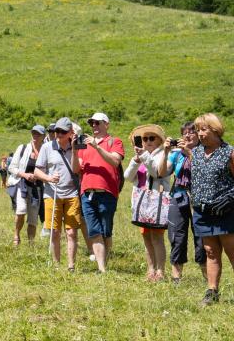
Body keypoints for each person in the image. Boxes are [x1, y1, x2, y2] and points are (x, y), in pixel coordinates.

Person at [188, 114, 234, 306]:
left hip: (225, 210)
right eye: (198, 129)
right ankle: (212, 291)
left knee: (232, 251)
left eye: (204, 129)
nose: (200, 133)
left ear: (215, 130)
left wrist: (231, 197)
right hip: (203, 211)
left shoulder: (229, 152)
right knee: (210, 252)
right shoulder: (196, 152)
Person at [33, 119, 84, 271]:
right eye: (57, 131)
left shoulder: (77, 147)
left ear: (71, 133)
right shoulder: (47, 147)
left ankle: (71, 265)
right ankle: (56, 265)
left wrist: (74, 150)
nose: (59, 134)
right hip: (51, 193)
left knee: (71, 231)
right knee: (54, 231)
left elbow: (76, 170)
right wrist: (48, 178)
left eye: (63, 132)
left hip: (71, 193)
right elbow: (37, 171)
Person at [78, 111, 125, 270]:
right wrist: (73, 149)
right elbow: (76, 168)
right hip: (87, 193)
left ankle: (106, 261)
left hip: (107, 193)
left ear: (106, 124)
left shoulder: (115, 141)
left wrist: (96, 146)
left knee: (106, 231)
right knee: (94, 231)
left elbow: (115, 161)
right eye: (92, 123)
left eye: (97, 122)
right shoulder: (84, 145)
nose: (94, 126)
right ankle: (102, 268)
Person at [125, 124, 171, 282]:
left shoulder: (163, 155)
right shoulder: (141, 155)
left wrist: (144, 156)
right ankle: (150, 269)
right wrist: (136, 161)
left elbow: (156, 173)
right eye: (145, 138)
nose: (148, 141)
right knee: (146, 237)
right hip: (142, 201)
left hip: (157, 203)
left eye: (152, 138)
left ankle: (160, 271)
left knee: (157, 237)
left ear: (159, 141)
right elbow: (128, 177)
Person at [166, 123, 203, 283]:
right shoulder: (176, 154)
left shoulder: (205, 151)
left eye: (191, 132)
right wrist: (166, 152)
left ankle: (208, 278)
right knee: (177, 236)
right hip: (179, 195)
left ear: (199, 135)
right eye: (184, 133)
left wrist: (188, 153)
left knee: (201, 238)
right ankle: (176, 278)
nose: (187, 136)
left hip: (199, 197)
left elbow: (204, 168)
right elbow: (162, 172)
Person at [5, 125, 46, 246]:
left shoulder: (46, 150)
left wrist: (39, 176)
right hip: (22, 185)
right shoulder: (23, 148)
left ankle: (31, 244)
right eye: (33, 133)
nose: (35, 136)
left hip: (37, 188)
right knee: (21, 211)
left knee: (33, 218)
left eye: (38, 134)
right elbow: (11, 167)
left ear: (43, 136)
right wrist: (25, 175)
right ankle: (16, 236)